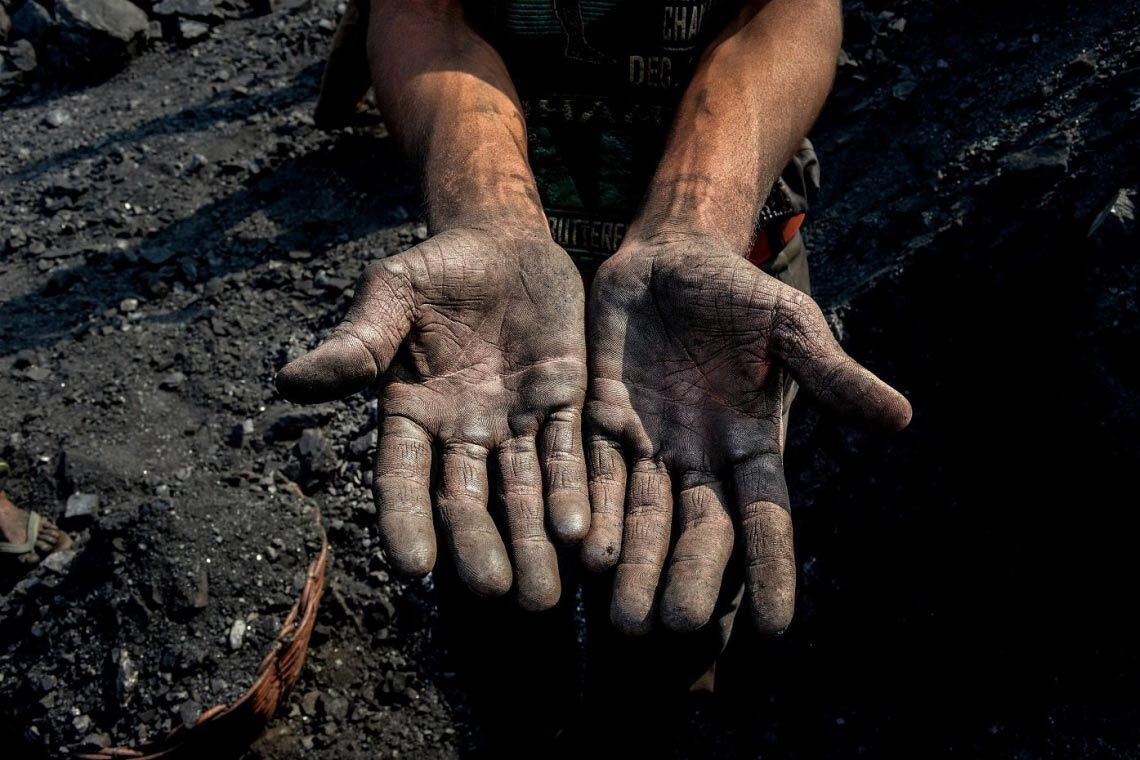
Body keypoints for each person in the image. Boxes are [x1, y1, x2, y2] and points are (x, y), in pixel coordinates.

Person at [277, 0, 912, 752]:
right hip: (486, 314)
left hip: (714, 293)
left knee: (678, 601)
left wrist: (693, 222)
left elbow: (784, 12)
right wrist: (489, 213)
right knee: (494, 581)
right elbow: (427, 13)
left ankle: (649, 724)